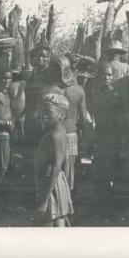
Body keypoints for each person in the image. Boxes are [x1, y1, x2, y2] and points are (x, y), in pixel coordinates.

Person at [88, 60, 129, 220]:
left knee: (114, 175)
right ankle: (102, 209)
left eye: (109, 75)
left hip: (116, 140)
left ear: (113, 76)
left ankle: (114, 212)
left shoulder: (118, 95)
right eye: (103, 75)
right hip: (101, 139)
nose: (106, 78)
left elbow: (124, 120)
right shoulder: (95, 93)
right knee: (100, 176)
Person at [40, 55, 92, 192]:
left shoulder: (47, 90)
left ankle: (51, 201)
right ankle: (66, 200)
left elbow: (40, 117)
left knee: (52, 167)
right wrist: (82, 137)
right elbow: (84, 119)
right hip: (71, 134)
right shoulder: (79, 90)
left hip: (53, 133)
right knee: (68, 167)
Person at [34, 93, 74, 227]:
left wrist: (45, 200)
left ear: (61, 116)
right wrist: (66, 185)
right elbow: (66, 160)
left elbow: (57, 166)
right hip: (57, 184)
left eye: (48, 112)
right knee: (59, 219)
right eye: (43, 111)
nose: (43, 115)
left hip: (50, 185)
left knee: (47, 223)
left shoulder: (54, 135)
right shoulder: (60, 131)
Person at [24, 41, 52, 146]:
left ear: (48, 58)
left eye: (43, 56)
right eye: (38, 56)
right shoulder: (31, 75)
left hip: (43, 118)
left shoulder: (50, 76)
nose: (40, 58)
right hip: (30, 116)